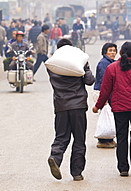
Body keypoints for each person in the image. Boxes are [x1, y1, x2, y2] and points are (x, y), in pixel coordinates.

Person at [93, 42, 131, 177]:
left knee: (121, 137)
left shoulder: (111, 68)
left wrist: (97, 106)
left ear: (120, 52)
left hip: (119, 108)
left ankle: (123, 168)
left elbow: (105, 90)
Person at [47, 38, 95, 181]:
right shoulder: (79, 62)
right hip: (78, 105)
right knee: (79, 139)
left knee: (61, 136)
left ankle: (55, 157)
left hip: (61, 106)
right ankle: (77, 172)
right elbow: (90, 80)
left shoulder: (53, 64)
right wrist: (85, 68)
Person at [93, 43, 117, 148]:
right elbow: (104, 80)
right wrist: (105, 97)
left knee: (109, 115)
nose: (112, 52)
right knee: (105, 115)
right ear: (105, 52)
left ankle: (109, 138)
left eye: (114, 50)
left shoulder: (112, 62)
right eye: (110, 50)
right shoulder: (103, 63)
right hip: (104, 92)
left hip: (110, 92)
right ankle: (103, 140)